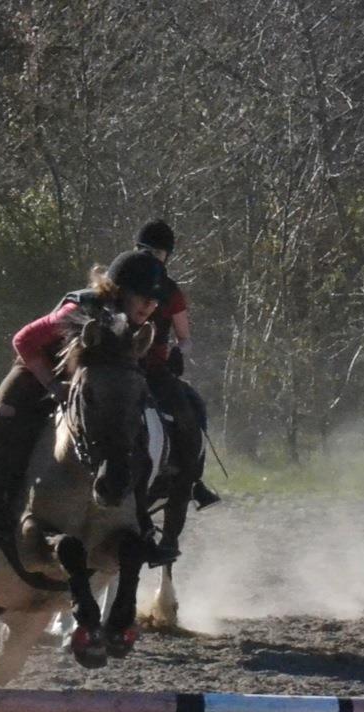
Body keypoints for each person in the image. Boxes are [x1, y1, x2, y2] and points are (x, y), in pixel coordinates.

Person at [0, 250, 166, 553]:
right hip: (36, 370)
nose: (149, 306)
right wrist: (53, 386)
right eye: (143, 297)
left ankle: (140, 520)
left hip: (89, 385)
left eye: (155, 301)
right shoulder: (80, 308)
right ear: (121, 291)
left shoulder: (133, 322)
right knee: (3, 416)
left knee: (135, 427)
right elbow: (23, 340)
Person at [135, 219, 220, 562]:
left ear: (166, 256)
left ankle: (191, 480)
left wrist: (174, 353)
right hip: (119, 367)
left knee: (191, 412)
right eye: (146, 251)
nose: (152, 257)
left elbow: (185, 339)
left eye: (157, 252)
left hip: (154, 370)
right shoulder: (118, 281)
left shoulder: (171, 292)